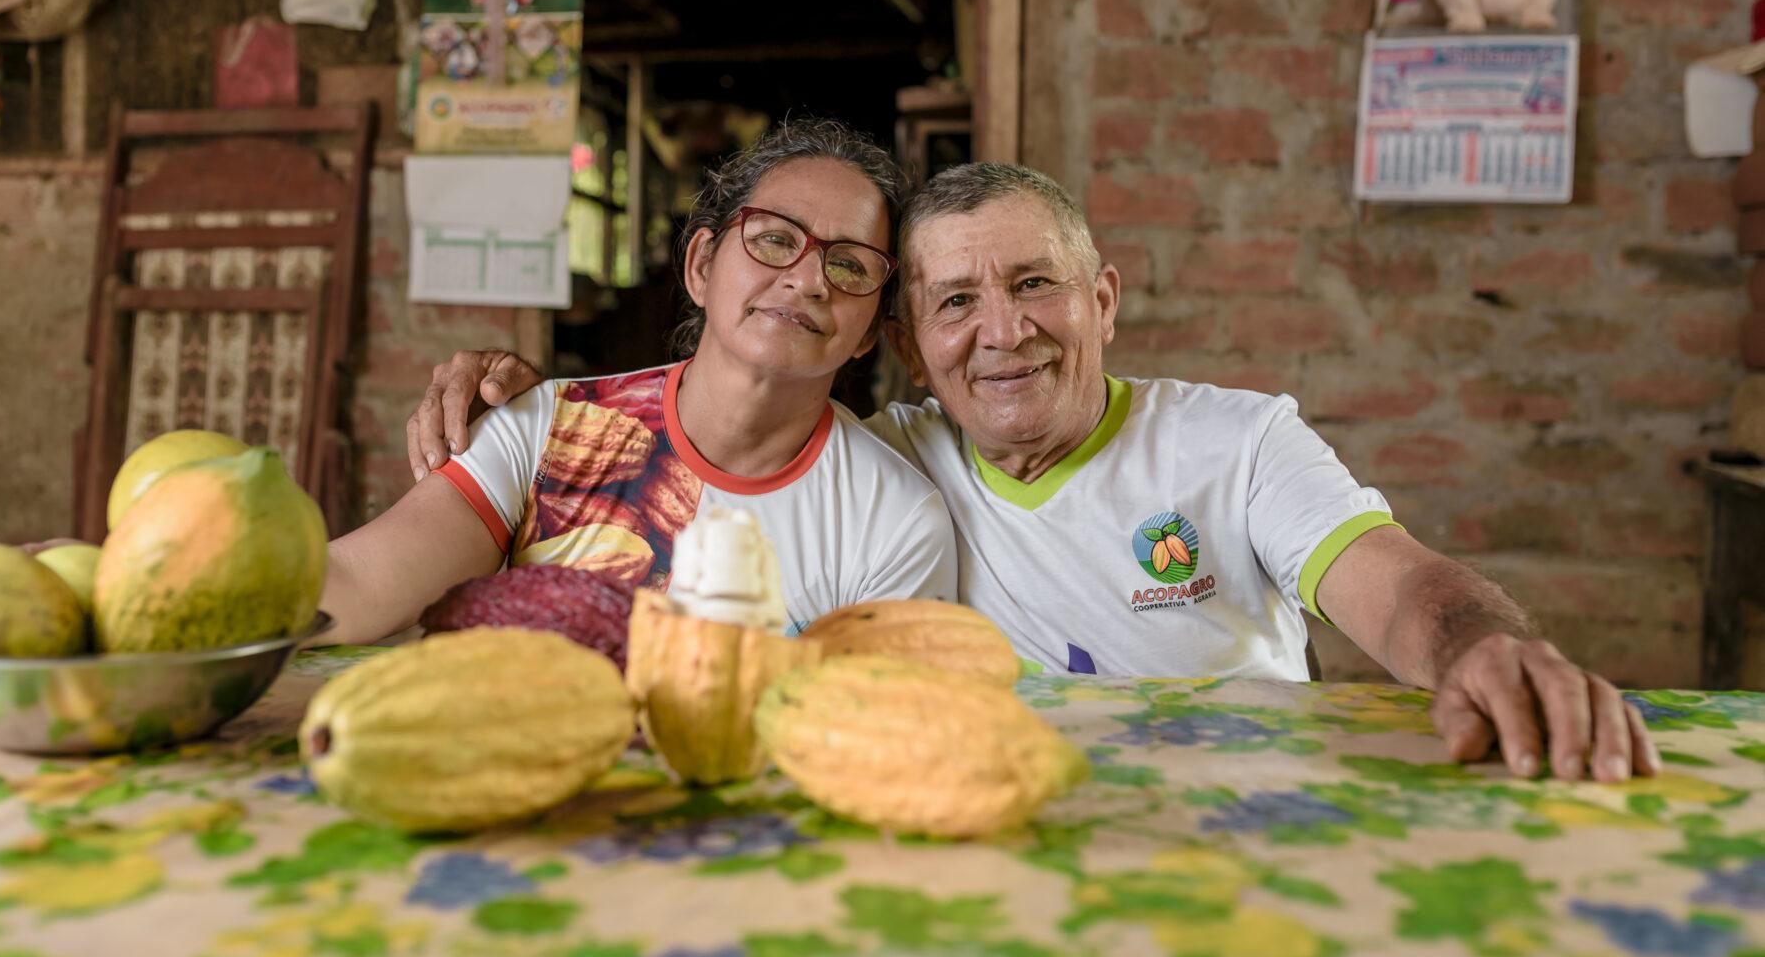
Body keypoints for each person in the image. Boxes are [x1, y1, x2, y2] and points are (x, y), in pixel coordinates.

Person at [409, 162, 1659, 784]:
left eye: (1034, 284)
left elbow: (1397, 582)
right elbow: (724, 412)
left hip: (1249, 819)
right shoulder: (884, 464)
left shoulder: (1238, 442)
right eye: (954, 301)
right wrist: (531, 400)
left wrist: (1482, 648)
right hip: (1011, 829)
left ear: (1102, 298)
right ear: (909, 344)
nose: (1002, 331)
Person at [317, 119, 954, 646]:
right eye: (773, 238)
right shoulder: (544, 429)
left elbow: (865, 723)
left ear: (870, 330)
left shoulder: (894, 521)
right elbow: (357, 585)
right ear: (701, 266)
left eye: (850, 265)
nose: (808, 279)